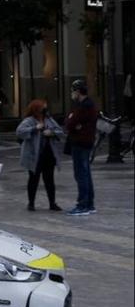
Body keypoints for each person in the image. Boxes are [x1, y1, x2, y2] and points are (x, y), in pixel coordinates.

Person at [16, 100, 64, 212]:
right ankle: (31, 203)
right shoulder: (29, 121)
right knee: (33, 179)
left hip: (48, 154)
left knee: (49, 180)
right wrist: (35, 128)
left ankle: (52, 203)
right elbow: (19, 131)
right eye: (43, 108)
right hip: (34, 155)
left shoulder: (49, 120)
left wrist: (51, 133)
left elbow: (60, 131)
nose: (45, 110)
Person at [64, 80, 98, 216]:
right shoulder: (89, 104)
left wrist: (72, 120)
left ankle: (82, 204)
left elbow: (70, 123)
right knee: (86, 173)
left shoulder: (84, 106)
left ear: (78, 91)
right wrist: (74, 122)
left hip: (80, 143)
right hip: (86, 142)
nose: (72, 94)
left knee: (81, 174)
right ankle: (89, 204)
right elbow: (73, 123)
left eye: (73, 91)